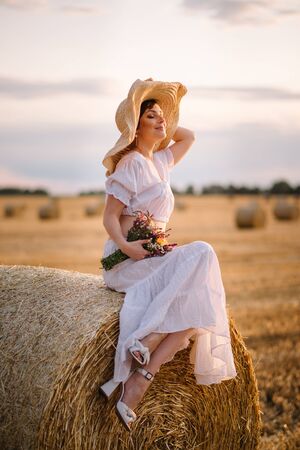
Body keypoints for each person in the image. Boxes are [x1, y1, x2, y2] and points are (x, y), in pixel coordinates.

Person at [99, 78, 237, 431]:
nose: (162, 123)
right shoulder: (130, 163)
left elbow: (187, 136)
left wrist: (162, 114)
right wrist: (129, 247)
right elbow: (110, 217)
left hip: (155, 256)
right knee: (203, 255)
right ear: (135, 126)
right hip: (129, 261)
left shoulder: (160, 161)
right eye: (152, 118)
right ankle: (144, 349)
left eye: (163, 117)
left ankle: (143, 374)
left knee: (201, 296)